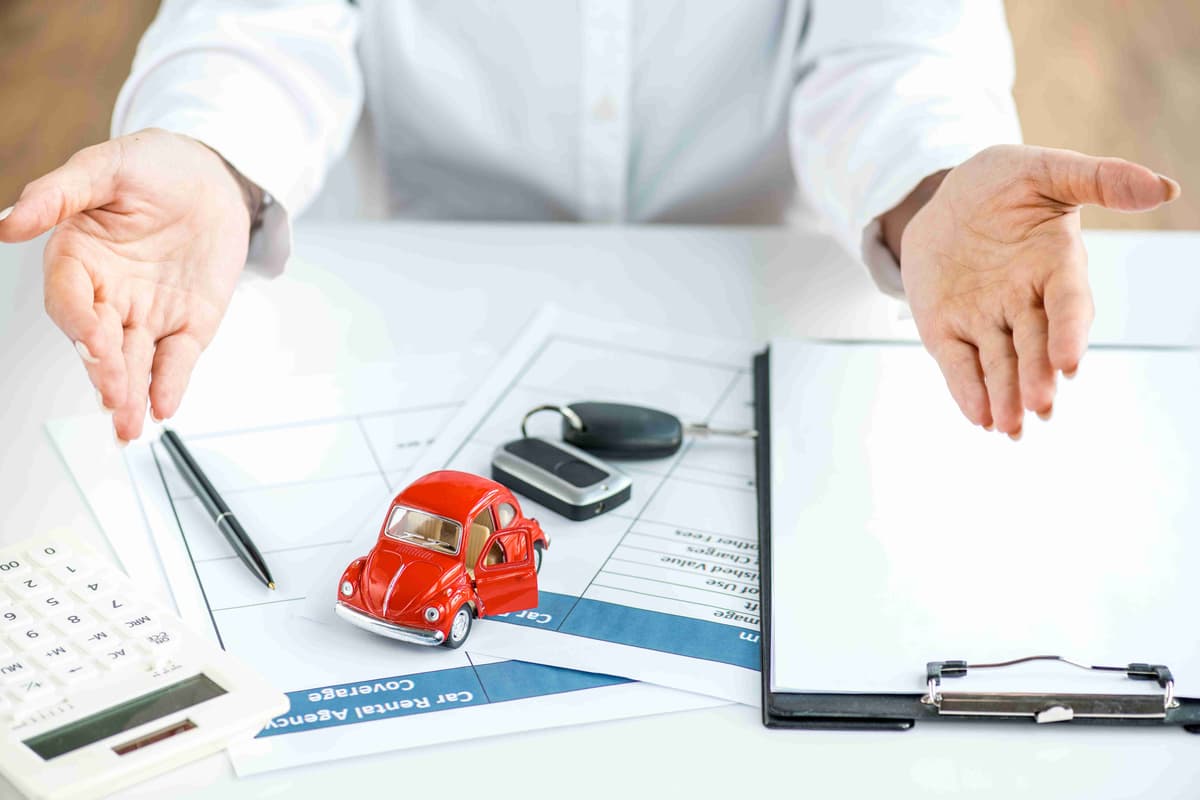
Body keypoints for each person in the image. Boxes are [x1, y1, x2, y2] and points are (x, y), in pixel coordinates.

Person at [0, 1, 1179, 445]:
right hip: (403, 296)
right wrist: (205, 153)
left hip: (750, 290)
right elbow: (264, 23)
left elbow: (891, 51)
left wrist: (933, 188)